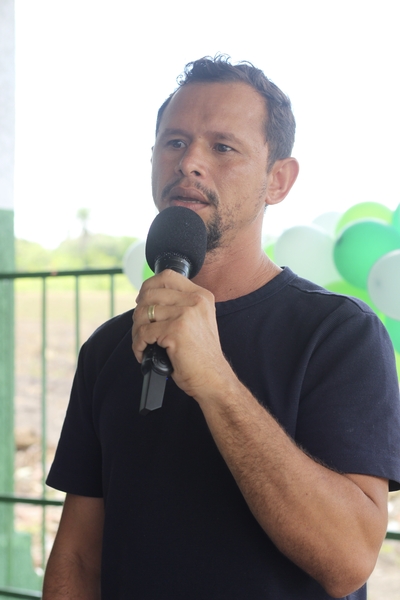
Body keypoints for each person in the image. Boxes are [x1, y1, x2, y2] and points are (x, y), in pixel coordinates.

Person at [43, 55, 400, 600]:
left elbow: (349, 560)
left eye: (223, 147)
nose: (189, 162)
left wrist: (217, 383)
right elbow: (78, 556)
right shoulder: (108, 347)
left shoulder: (339, 333)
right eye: (174, 142)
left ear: (278, 179)